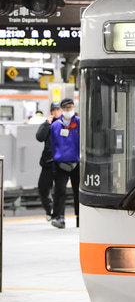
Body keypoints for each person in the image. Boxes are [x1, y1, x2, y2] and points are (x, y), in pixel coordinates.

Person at [49, 97, 80, 229]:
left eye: (71, 108)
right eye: (66, 108)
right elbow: (52, 144)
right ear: (62, 109)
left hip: (77, 162)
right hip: (60, 162)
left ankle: (81, 218)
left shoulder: (79, 123)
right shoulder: (56, 126)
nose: (69, 110)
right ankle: (59, 217)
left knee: (78, 192)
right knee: (60, 191)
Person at [35, 102, 62, 221]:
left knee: (60, 189)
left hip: (62, 162)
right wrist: (47, 123)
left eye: (57, 110)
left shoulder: (66, 124)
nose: (55, 112)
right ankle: (49, 209)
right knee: (43, 187)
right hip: (48, 162)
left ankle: (58, 214)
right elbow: (39, 137)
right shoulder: (47, 124)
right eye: (53, 110)